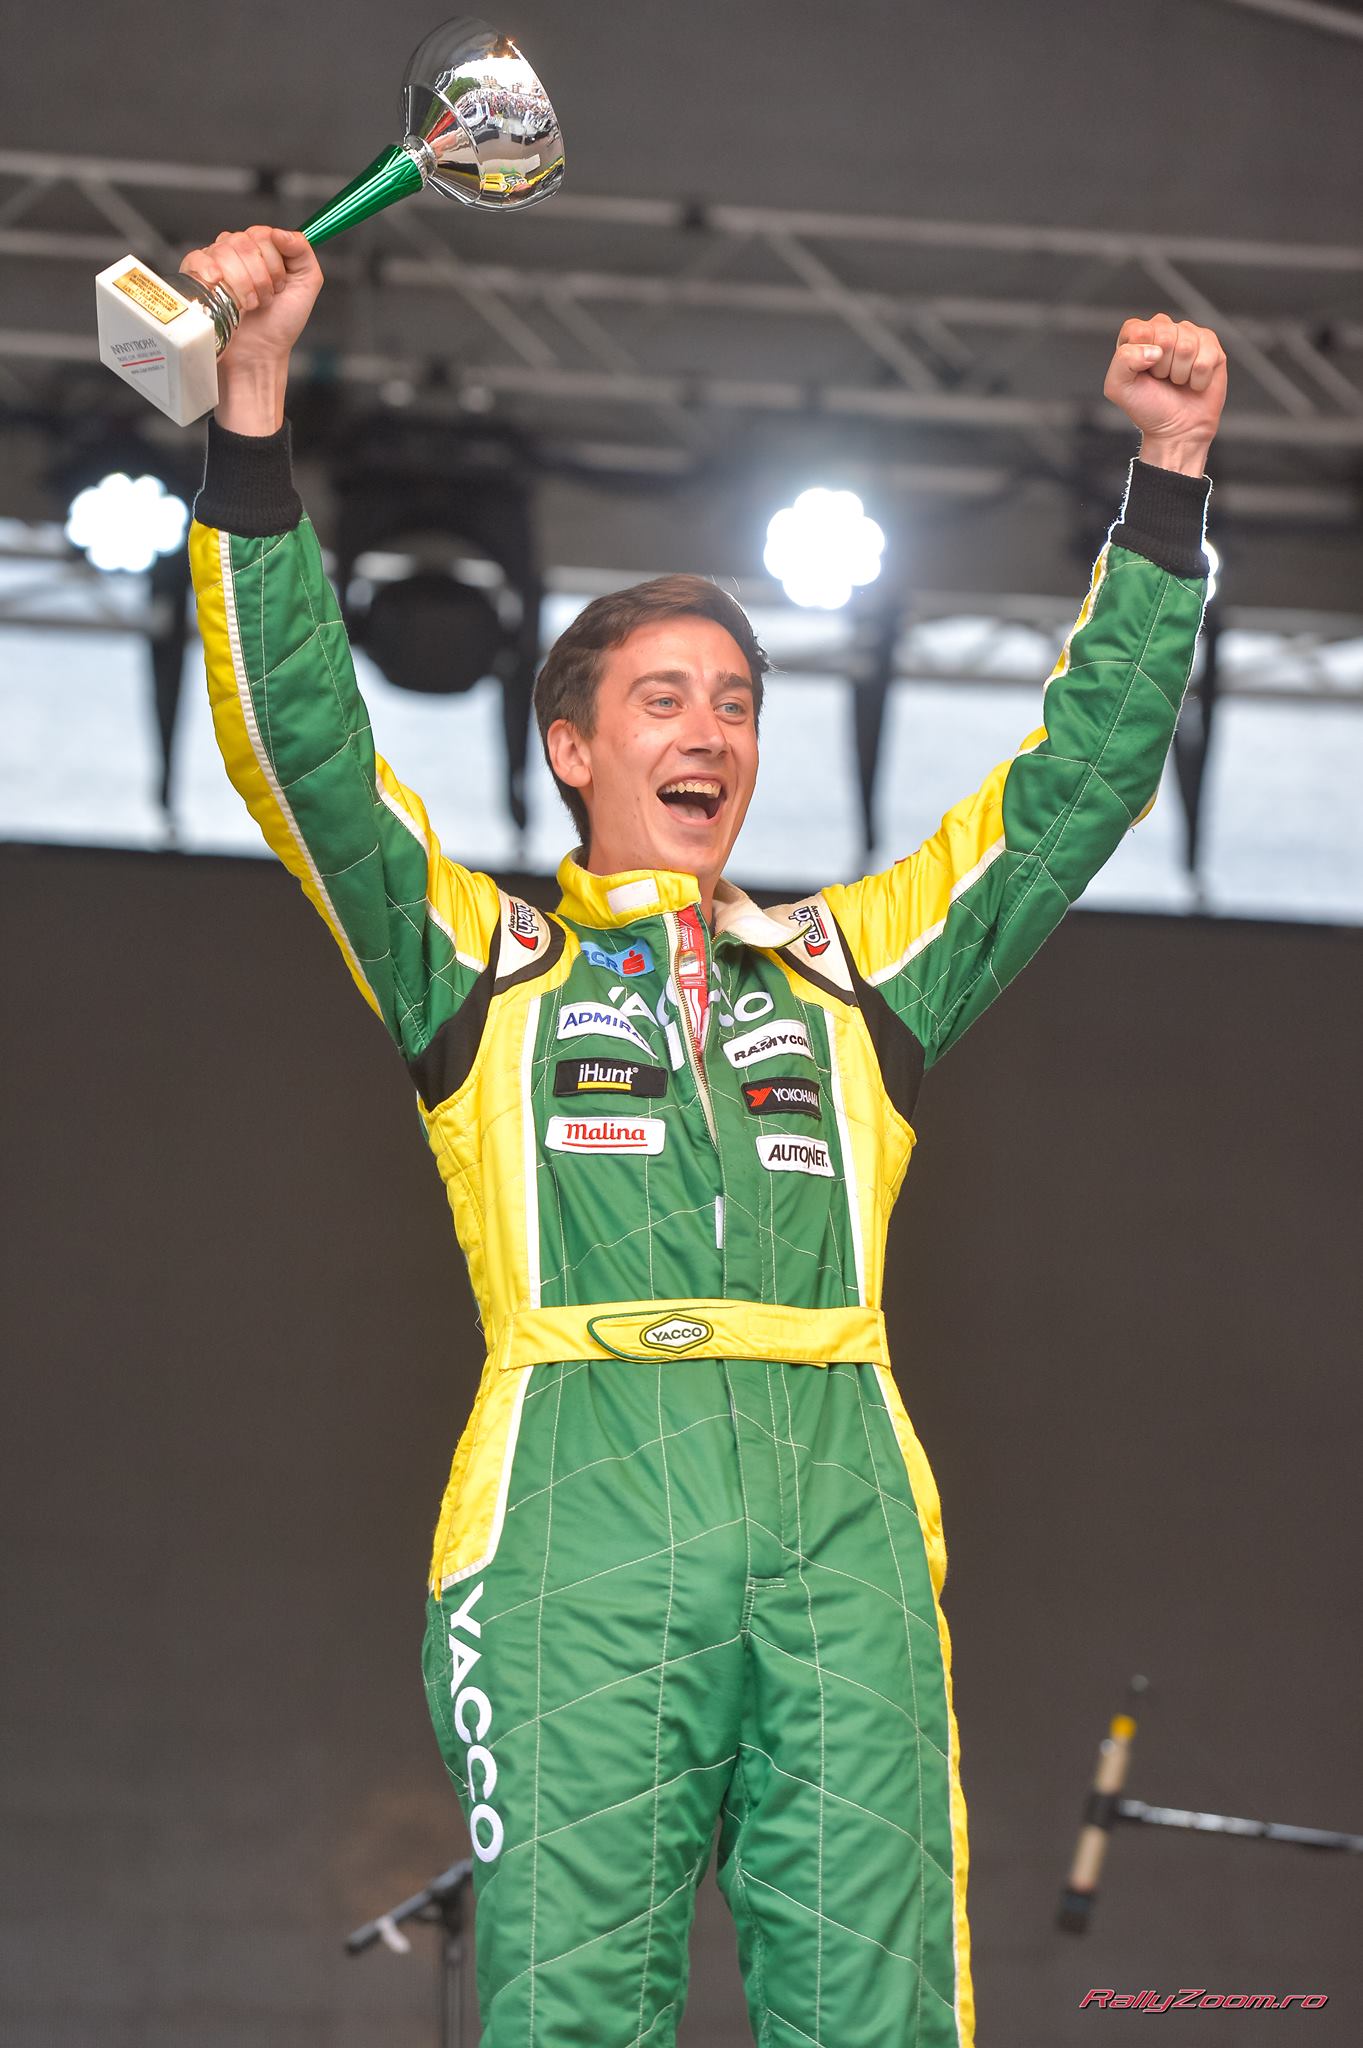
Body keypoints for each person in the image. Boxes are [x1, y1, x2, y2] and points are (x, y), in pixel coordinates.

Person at [183, 224, 1225, 2048]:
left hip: (842, 1519)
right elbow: (305, 753)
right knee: (577, 2012)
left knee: (879, 2013)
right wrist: (251, 402)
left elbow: (1077, 790)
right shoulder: (481, 963)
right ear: (571, 748)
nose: (711, 732)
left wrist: (1170, 479)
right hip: (577, 1515)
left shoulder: (853, 968)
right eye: (662, 699)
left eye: (737, 703)